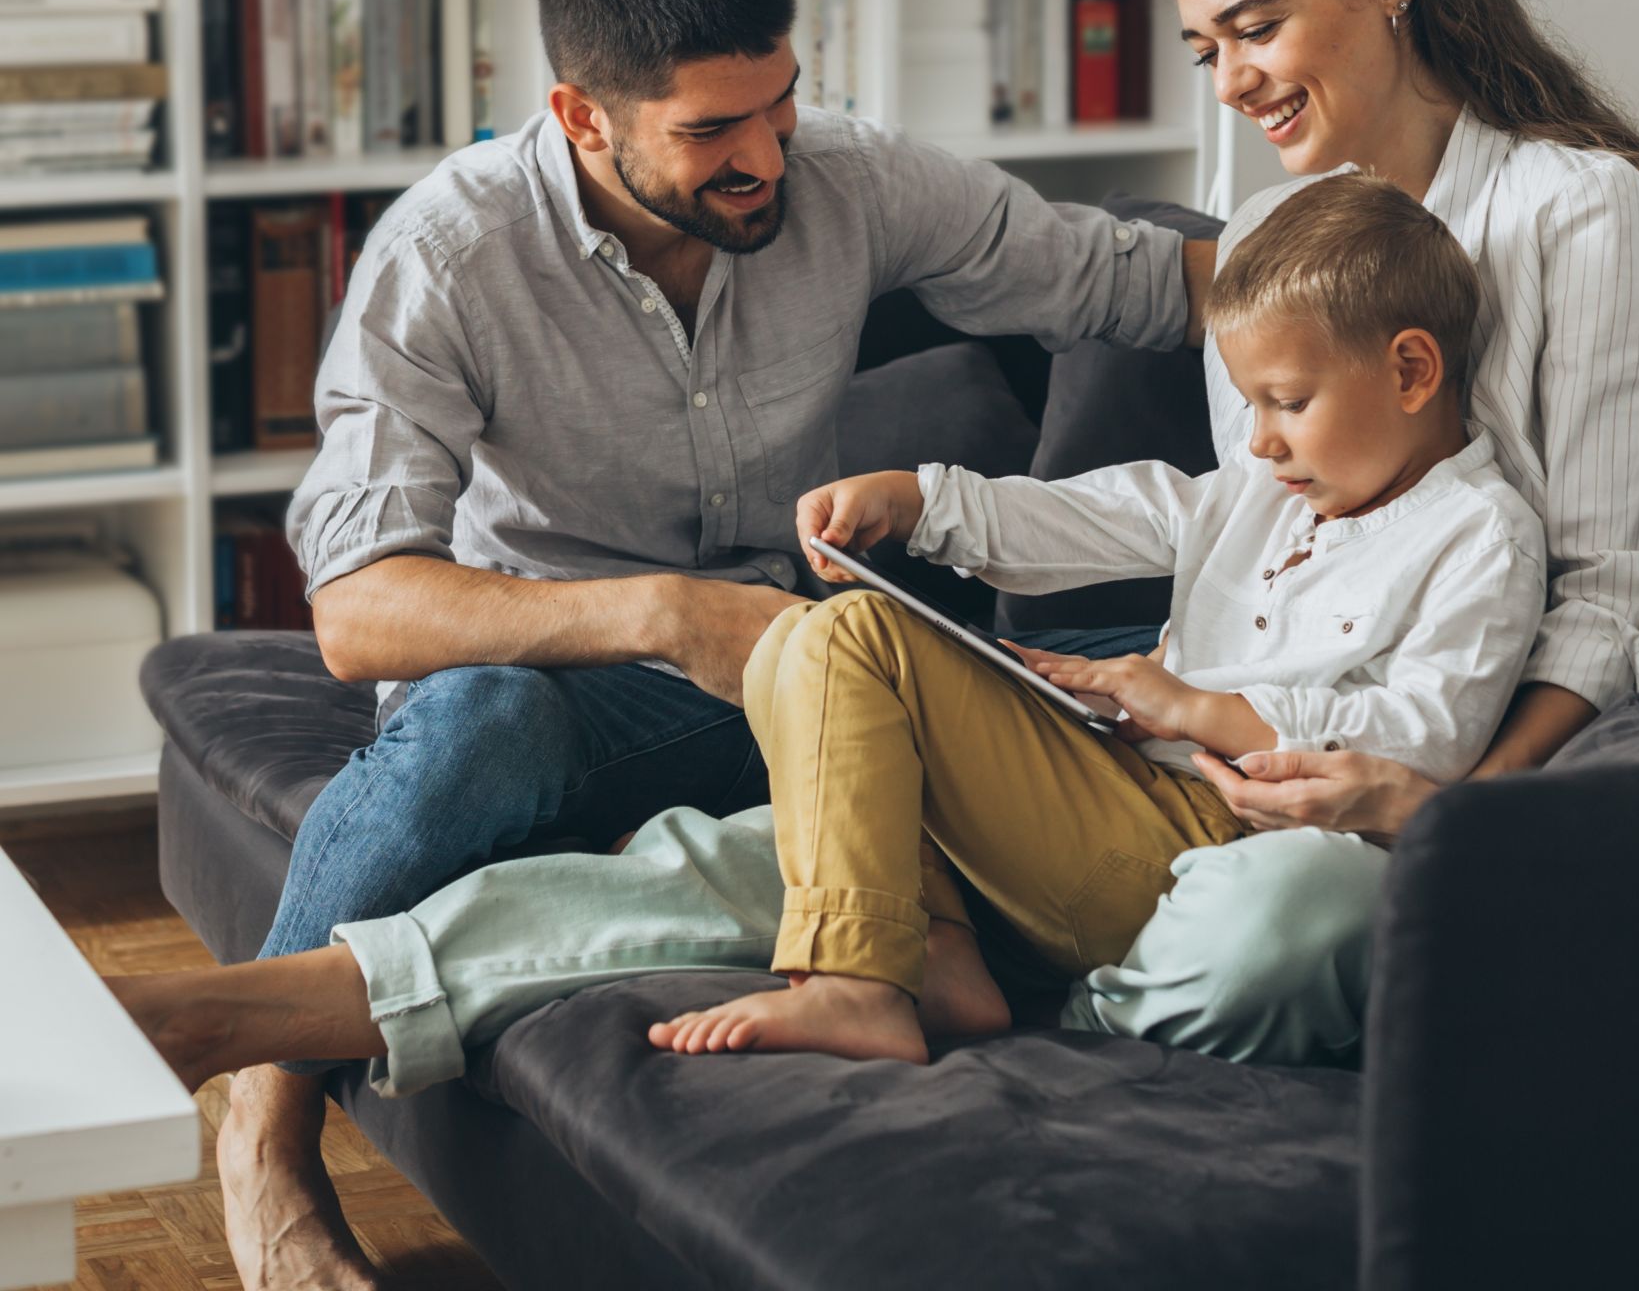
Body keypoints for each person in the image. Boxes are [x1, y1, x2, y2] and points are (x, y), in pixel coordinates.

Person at [211, 0, 1214, 1291]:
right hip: (547, 682)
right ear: (581, 115)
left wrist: (1405, 291)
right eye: (710, 133)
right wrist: (666, 614)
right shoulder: (446, 256)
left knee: (1006, 683)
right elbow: (359, 615)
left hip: (789, 672)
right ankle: (264, 1129)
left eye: (781, 105)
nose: (768, 158)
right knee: (487, 719)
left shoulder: (849, 179)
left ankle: (895, 941)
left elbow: (1131, 282)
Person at [115, 174, 1545, 1081]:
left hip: (1220, 842)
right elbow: (1116, 514)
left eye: (1287, 405)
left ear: (1413, 369)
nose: (1268, 442)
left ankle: (867, 978)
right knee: (719, 846)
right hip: (1092, 809)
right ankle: (259, 1014)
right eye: (1256, 411)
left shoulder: (1478, 534)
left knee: (837, 650)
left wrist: (1195, 708)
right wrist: (920, 501)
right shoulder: (1264, 487)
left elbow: (1414, 747)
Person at [1061, 0, 1639, 1064]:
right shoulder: (1263, 234)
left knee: (1277, 925)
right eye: (1207, 48)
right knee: (845, 741)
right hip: (1232, 741)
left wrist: (1439, 811)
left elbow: (1599, 600)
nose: (1232, 80)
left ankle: (1075, 989)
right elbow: (1254, 522)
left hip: (1392, 782)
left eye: (1257, 27)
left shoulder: (1576, 213)